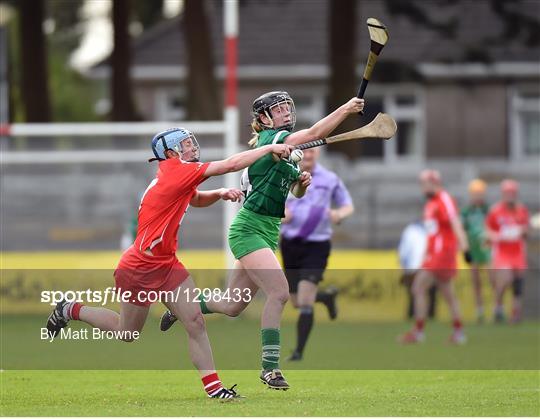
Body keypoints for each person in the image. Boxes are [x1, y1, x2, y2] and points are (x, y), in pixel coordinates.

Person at [45, 127, 294, 400]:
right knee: (127, 332)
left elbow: (195, 198)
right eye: (186, 144)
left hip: (167, 263)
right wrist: (269, 148)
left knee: (195, 321)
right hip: (140, 267)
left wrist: (219, 193)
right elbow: (231, 164)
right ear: (171, 153)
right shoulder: (178, 171)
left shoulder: (176, 173)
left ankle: (214, 389)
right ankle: (70, 309)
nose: (193, 147)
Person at [160, 92, 365, 390]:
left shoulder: (285, 152)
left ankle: (181, 306)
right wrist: (346, 108)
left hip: (268, 231)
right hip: (248, 228)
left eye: (287, 108)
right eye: (278, 109)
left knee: (232, 305)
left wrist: (302, 184)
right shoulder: (273, 139)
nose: (285, 113)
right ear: (264, 119)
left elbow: (293, 193)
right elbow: (316, 133)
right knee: (280, 292)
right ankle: (270, 368)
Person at [279, 147, 354, 362]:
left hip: (317, 245)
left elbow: (347, 205)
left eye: (312, 152)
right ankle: (326, 297)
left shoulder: (330, 179)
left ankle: (298, 352)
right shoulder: (286, 176)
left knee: (304, 300)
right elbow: (275, 204)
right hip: (291, 244)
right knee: (295, 301)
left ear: (318, 153)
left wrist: (339, 213)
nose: (308, 156)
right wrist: (283, 213)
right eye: (304, 152)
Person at [399, 169, 471, 345]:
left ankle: (419, 331)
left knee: (418, 288)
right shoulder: (430, 204)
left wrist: (465, 247)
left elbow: (455, 223)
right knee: (448, 294)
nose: (423, 187)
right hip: (435, 254)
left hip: (442, 253)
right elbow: (432, 233)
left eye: (425, 184)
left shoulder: (443, 199)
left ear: (434, 183)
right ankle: (459, 332)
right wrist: (425, 255)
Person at [486, 179, 529, 323]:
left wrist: (521, 231)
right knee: (505, 278)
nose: (510, 196)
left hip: (517, 251)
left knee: (518, 283)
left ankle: (515, 313)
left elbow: (526, 231)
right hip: (503, 252)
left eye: (512, 193)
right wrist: (497, 236)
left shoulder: (522, 210)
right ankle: (498, 305)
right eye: (507, 193)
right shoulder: (495, 211)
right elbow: (488, 230)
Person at [461, 179, 494, 323]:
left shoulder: (489, 210)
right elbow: (462, 229)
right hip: (473, 248)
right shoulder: (466, 211)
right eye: (475, 194)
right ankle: (479, 310)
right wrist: (465, 248)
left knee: (493, 279)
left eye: (480, 194)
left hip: (487, 248)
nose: (477, 197)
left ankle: (496, 308)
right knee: (476, 281)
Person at [397, 220, 435, 320]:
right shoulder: (430, 229)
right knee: (423, 293)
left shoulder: (410, 231)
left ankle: (418, 317)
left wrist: (403, 267)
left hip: (418, 267)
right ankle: (425, 317)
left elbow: (403, 251)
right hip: (423, 267)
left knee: (416, 293)